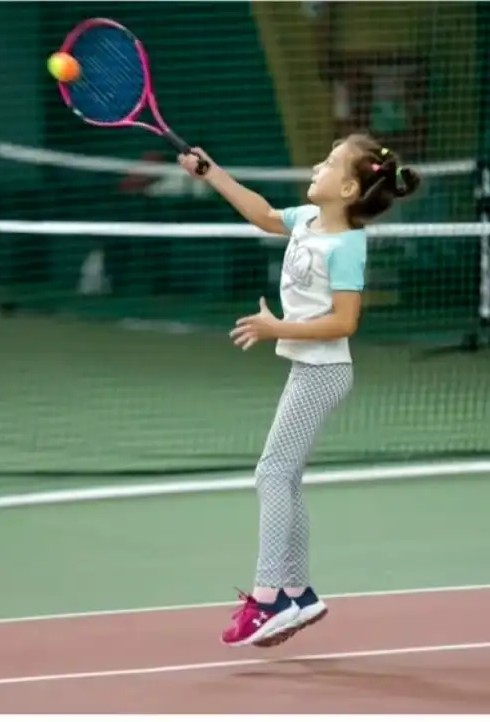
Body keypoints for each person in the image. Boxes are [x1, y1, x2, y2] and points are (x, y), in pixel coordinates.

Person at [178, 134, 420, 648]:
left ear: (349, 187)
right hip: (306, 368)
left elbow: (345, 322)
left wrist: (278, 328)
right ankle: (298, 592)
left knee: (272, 474)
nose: (317, 166)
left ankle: (269, 601)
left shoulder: (347, 245)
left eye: (329, 163)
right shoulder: (307, 222)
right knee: (285, 478)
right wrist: (212, 173)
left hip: (324, 371)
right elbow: (265, 215)